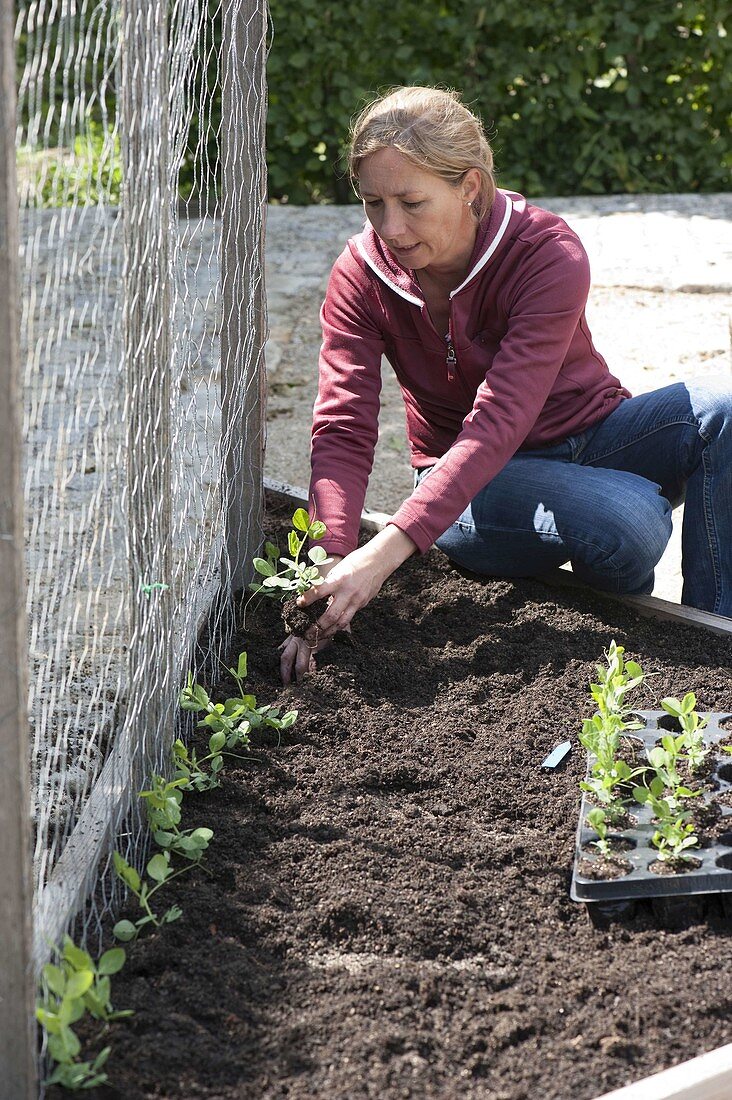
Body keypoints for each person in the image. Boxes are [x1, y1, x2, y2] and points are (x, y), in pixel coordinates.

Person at [279, 85, 732, 684]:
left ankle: (714, 653)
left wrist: (384, 551)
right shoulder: (361, 278)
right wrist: (331, 561)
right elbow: (342, 426)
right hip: (468, 485)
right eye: (373, 203)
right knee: (633, 519)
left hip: (589, 436)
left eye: (412, 202)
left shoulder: (545, 253)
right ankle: (621, 631)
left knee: (722, 411)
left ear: (469, 186)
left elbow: (503, 415)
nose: (391, 226)